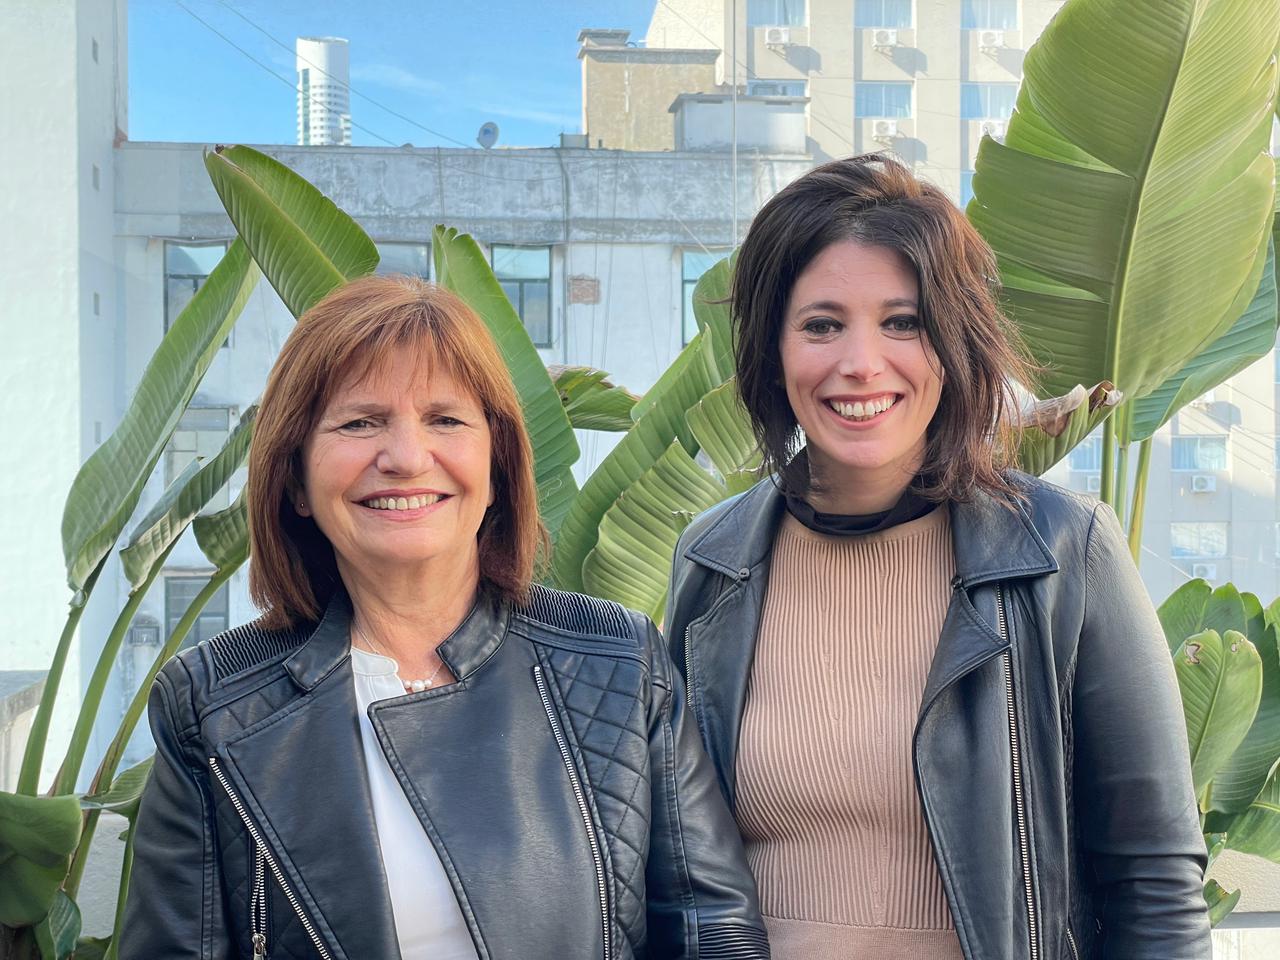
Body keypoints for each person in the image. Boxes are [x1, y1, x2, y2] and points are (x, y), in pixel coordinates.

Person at [122, 275, 770, 960]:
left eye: (445, 420)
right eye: (359, 422)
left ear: (496, 467)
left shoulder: (619, 662)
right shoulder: (213, 706)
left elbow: (710, 928)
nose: (405, 458)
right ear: (296, 478)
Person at [665, 155, 1211, 960]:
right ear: (773, 350)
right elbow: (678, 869)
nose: (861, 363)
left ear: (955, 342)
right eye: (821, 325)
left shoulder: (1064, 554)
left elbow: (1155, 880)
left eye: (903, 323)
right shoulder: (713, 561)